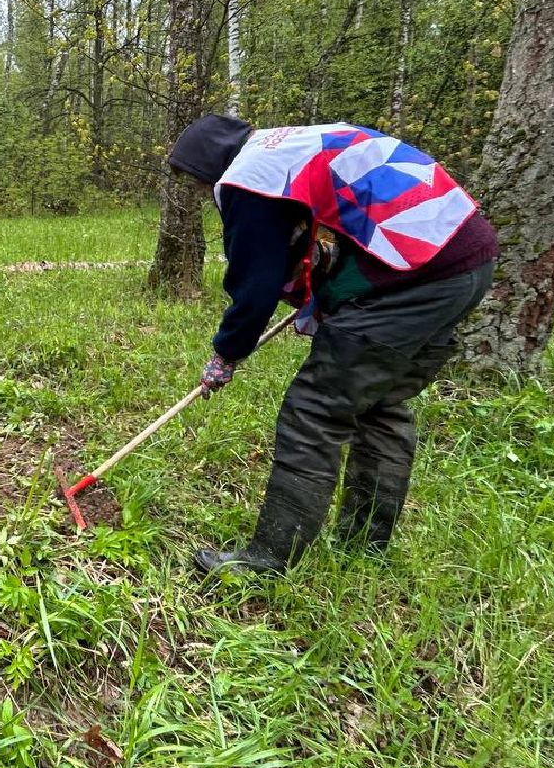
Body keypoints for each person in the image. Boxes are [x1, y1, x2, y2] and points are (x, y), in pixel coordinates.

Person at [168, 114, 499, 576]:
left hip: (419, 273)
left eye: (197, 182)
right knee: (378, 404)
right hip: (465, 260)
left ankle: (268, 561)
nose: (204, 193)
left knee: (316, 410)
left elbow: (255, 284)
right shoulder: (290, 144)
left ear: (209, 166)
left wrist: (227, 353)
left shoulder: (248, 178)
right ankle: (365, 543)